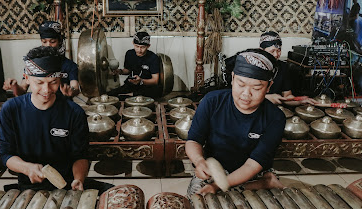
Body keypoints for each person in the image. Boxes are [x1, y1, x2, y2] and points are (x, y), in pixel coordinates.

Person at [0, 46, 113, 193]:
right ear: (27, 78)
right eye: (39, 83)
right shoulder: (12, 110)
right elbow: (6, 154)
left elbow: (81, 156)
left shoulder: (74, 112)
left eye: (53, 82)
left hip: (68, 184)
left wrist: (79, 179)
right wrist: (28, 168)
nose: (46, 90)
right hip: (31, 186)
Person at [186, 48, 285, 196]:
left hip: (252, 171)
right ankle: (263, 183)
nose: (246, 94)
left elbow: (252, 165)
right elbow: (193, 140)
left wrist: (217, 187)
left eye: (256, 88)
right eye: (241, 84)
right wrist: (199, 160)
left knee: (238, 199)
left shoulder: (275, 117)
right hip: (216, 169)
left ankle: (264, 180)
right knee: (197, 196)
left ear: (269, 86)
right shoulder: (212, 101)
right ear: (232, 78)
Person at [3, 21, 79, 98]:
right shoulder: (34, 63)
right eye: (44, 42)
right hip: (40, 105)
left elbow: (75, 87)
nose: (48, 45)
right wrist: (15, 86)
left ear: (59, 41)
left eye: (52, 42)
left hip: (62, 105)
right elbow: (22, 90)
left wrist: (71, 91)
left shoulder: (69, 65)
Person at [260, 31, 317, 105]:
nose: (276, 54)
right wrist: (267, 98)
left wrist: (299, 101)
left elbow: (287, 95)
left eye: (279, 50)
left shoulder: (283, 67)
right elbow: (244, 96)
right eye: (272, 51)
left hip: (276, 108)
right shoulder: (253, 66)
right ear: (262, 50)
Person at [107, 31, 162, 99]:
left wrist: (141, 81)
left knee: (153, 94)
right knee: (109, 95)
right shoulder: (129, 54)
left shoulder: (153, 58)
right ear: (133, 43)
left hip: (147, 87)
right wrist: (119, 71)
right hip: (131, 84)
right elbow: (128, 70)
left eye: (142, 47)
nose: (139, 50)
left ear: (148, 46)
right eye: (137, 46)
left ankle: (130, 95)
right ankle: (130, 95)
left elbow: (155, 80)